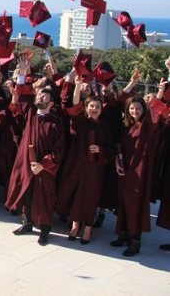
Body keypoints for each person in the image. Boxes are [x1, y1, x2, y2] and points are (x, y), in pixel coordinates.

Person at [111, 71, 166, 256]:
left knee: (135, 205)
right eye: (132, 109)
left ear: (144, 109)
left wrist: (160, 92)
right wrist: (118, 161)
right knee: (123, 202)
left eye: (138, 108)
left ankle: (135, 240)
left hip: (140, 172)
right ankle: (123, 234)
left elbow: (156, 112)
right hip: (124, 170)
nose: (135, 111)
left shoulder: (148, 126)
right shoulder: (127, 126)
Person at [55, 75, 114, 244]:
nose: (94, 109)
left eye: (97, 106)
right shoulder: (81, 122)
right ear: (86, 108)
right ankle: (75, 225)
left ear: (101, 109)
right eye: (91, 106)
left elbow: (111, 151)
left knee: (90, 197)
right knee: (75, 195)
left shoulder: (105, 127)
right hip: (77, 166)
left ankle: (88, 227)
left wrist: (100, 150)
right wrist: (77, 85)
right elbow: (74, 105)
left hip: (95, 170)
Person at [5, 84, 65, 246]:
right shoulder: (31, 115)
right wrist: (22, 75)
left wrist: (43, 164)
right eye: (39, 95)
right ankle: (27, 224)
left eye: (44, 96)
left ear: (51, 103)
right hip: (27, 163)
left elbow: (58, 150)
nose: (40, 97)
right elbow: (23, 97)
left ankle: (44, 230)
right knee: (27, 194)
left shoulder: (56, 124)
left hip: (44, 169)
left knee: (43, 198)